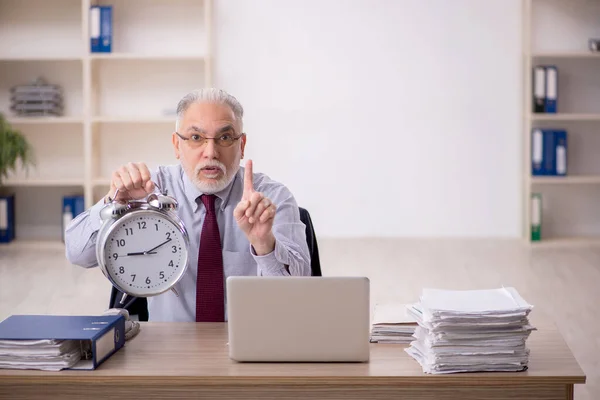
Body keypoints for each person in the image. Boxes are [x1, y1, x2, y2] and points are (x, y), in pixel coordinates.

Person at [65, 88, 311, 322]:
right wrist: (113, 204)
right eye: (196, 138)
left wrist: (264, 244)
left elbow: (300, 298)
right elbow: (77, 253)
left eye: (225, 137)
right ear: (176, 145)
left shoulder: (271, 198)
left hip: (250, 345)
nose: (211, 152)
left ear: (242, 145)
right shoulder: (147, 189)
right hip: (170, 348)